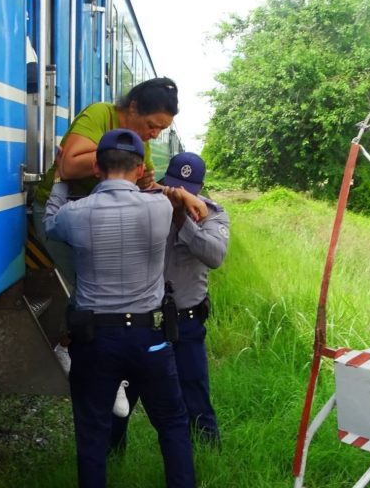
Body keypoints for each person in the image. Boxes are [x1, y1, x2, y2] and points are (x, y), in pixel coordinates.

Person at [44, 129, 198, 488]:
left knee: (92, 432)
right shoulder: (159, 207)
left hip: (94, 341)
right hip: (150, 338)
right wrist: (168, 188)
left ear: (96, 167)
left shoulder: (74, 214)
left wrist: (61, 179)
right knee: (172, 424)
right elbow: (168, 195)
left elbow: (50, 222)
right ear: (141, 167)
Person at [110, 152, 230, 450]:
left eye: (188, 190)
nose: (180, 194)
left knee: (195, 395)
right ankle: (110, 459)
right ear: (164, 180)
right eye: (174, 186)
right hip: (141, 322)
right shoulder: (144, 204)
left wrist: (183, 222)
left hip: (187, 325)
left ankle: (207, 454)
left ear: (200, 188)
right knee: (122, 396)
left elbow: (214, 256)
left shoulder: (213, 214)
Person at [32, 78, 201, 289]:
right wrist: (123, 161)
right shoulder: (100, 115)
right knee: (87, 285)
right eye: (151, 125)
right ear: (133, 107)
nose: (154, 135)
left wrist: (144, 183)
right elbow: (69, 166)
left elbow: (140, 182)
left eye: (161, 129)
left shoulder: (142, 142)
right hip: (58, 209)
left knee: (100, 284)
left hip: (96, 217)